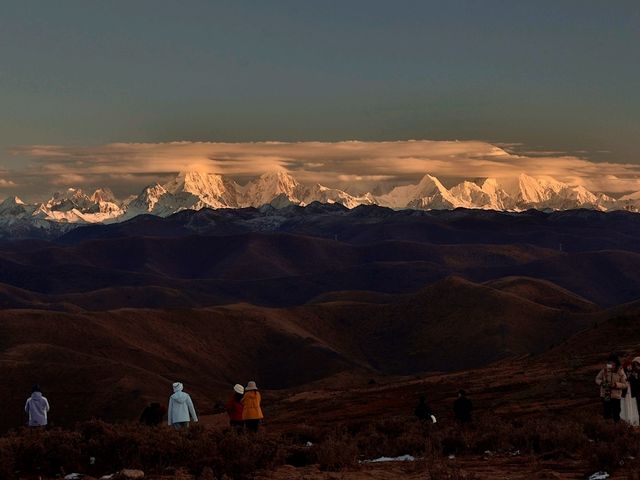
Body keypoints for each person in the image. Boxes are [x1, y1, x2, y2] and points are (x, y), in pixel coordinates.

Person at [595, 354, 627, 423]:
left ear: (615, 362)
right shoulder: (605, 370)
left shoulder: (620, 371)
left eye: (611, 362)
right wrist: (602, 383)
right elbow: (597, 379)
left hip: (616, 395)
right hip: (606, 394)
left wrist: (616, 385)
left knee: (616, 413)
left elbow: (625, 385)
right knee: (607, 412)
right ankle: (608, 429)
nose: (610, 363)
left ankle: (617, 429)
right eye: (609, 362)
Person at [621, 357, 640, 426]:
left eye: (630, 366)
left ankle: (634, 421)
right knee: (627, 405)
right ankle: (627, 421)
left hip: (632, 391)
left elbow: (635, 380)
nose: (630, 367)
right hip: (627, 391)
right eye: (628, 366)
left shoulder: (633, 372)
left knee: (633, 404)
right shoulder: (623, 372)